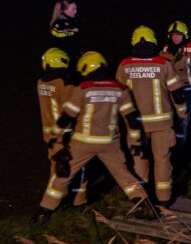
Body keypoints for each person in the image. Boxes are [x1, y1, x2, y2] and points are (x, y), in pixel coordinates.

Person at [36, 51, 155, 222]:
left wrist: (54, 139)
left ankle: (44, 211)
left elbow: (67, 117)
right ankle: (144, 204)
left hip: (83, 142)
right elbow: (131, 119)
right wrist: (136, 142)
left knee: (63, 175)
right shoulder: (121, 90)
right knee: (124, 176)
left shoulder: (82, 89)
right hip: (110, 143)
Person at [117, 26, 187, 205]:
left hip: (135, 125)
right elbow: (177, 93)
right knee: (162, 159)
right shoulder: (163, 64)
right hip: (162, 124)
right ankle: (164, 199)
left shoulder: (124, 66)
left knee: (139, 160)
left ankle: (142, 199)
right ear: (154, 42)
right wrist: (181, 114)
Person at [37, 47, 87, 206]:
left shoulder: (41, 82)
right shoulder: (65, 84)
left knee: (56, 169)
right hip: (66, 135)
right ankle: (79, 201)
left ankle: (57, 201)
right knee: (80, 169)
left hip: (49, 135)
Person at [160, 21, 191, 144]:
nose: (175, 37)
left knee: (186, 109)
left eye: (178, 34)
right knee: (176, 111)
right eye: (173, 35)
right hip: (173, 86)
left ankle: (186, 137)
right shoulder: (165, 49)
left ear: (184, 35)